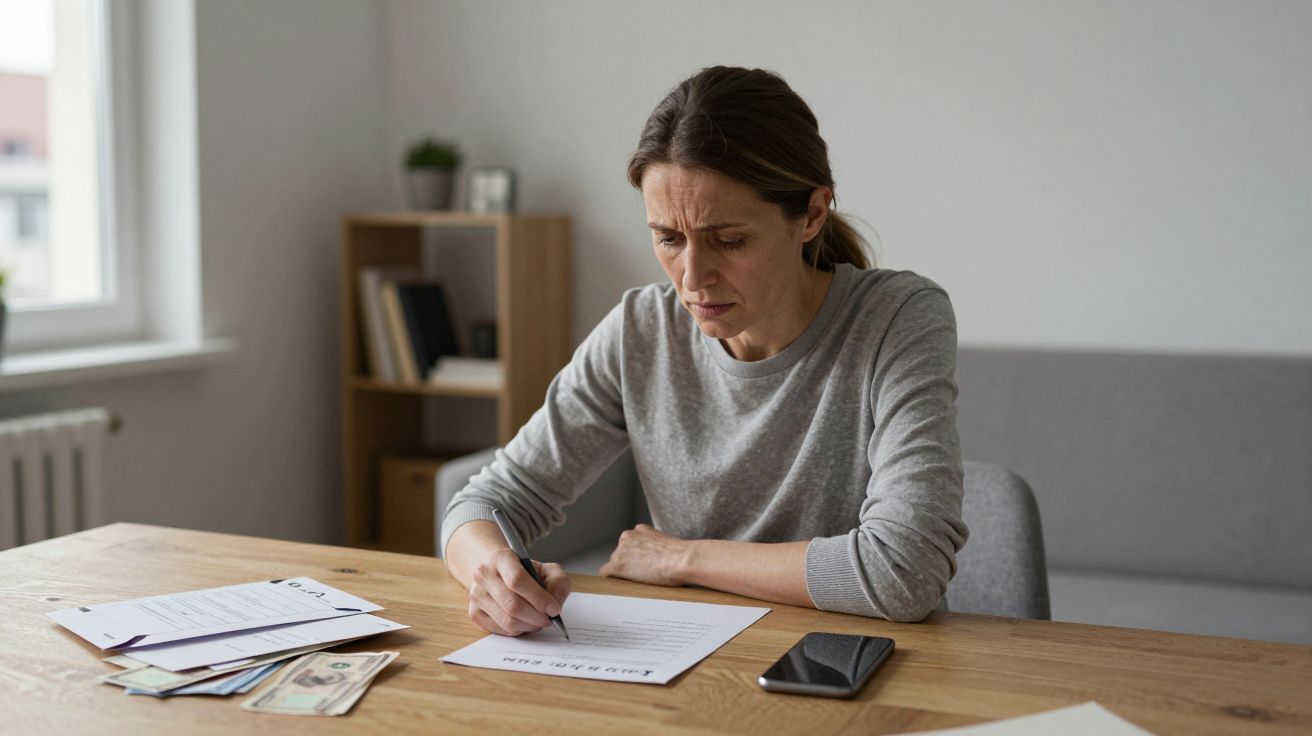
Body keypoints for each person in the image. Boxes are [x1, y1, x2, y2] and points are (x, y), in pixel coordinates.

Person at [441, 66, 969, 637]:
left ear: (812, 215)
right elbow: (487, 502)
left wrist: (682, 558)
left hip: (841, 658)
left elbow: (903, 570)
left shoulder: (898, 317)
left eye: (729, 240)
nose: (692, 277)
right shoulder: (640, 330)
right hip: (687, 659)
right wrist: (490, 571)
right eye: (668, 238)